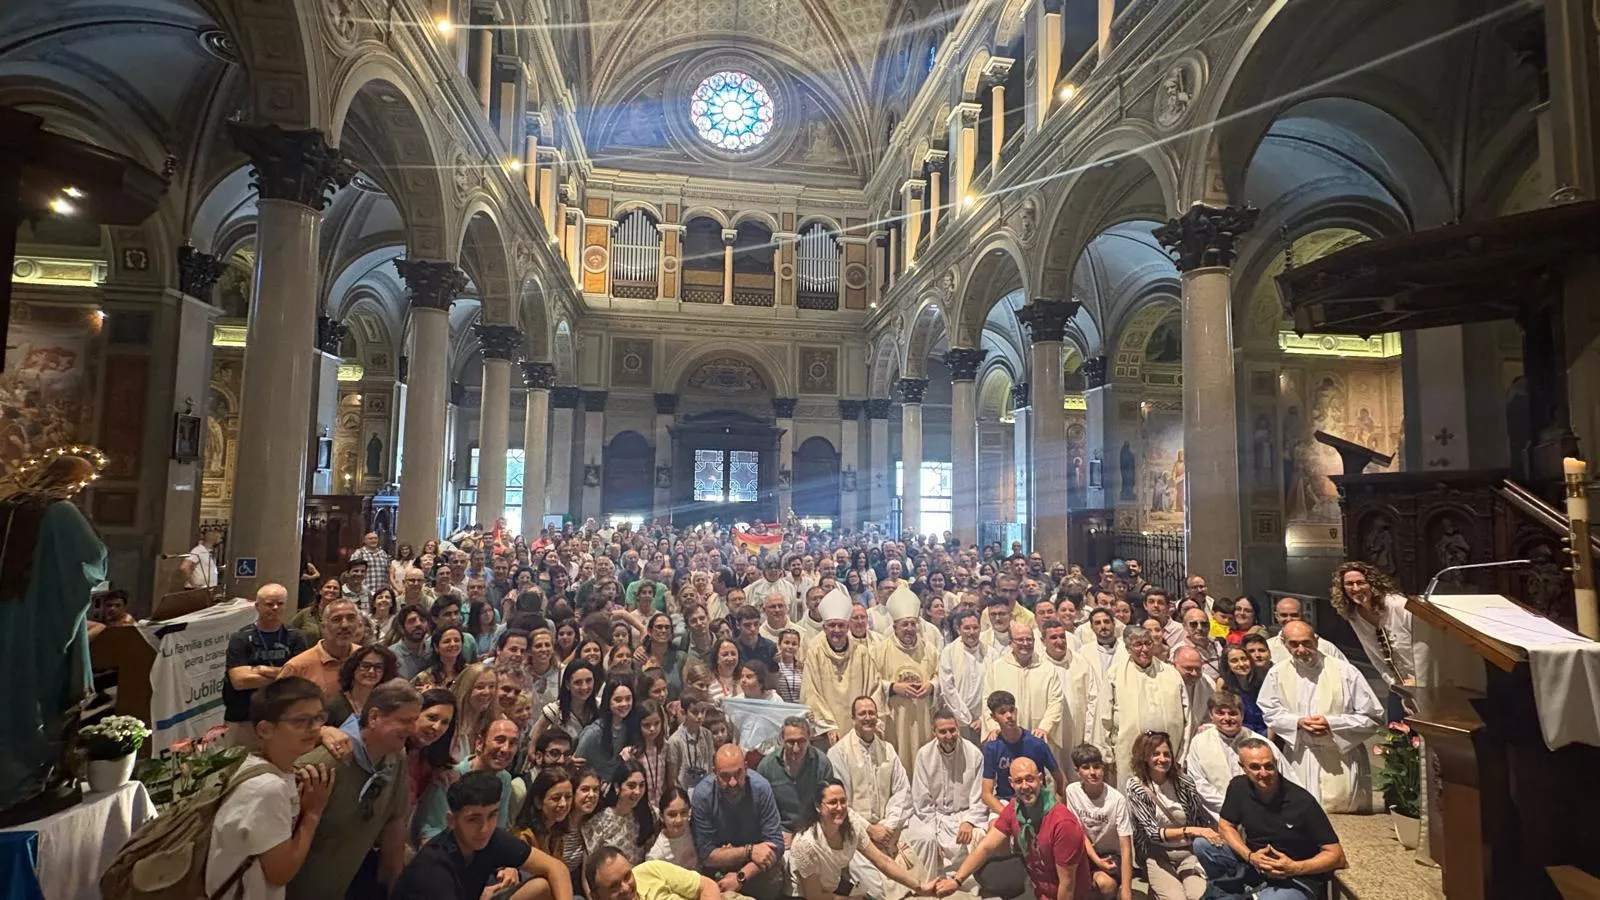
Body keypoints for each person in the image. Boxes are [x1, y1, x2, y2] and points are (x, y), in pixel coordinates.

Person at [287, 679, 420, 898]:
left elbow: (394, 823)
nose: (413, 729)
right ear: (375, 717)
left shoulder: (395, 758)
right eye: (405, 721)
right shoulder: (322, 765)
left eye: (415, 720)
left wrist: (393, 888)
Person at [205, 677, 331, 900]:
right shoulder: (267, 789)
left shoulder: (255, 764)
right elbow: (280, 873)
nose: (315, 729)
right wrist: (312, 814)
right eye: (301, 721)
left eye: (319, 718)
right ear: (264, 729)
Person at [1193, 739, 1347, 899]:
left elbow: (1337, 856)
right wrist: (1250, 857)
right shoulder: (1238, 787)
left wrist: (1294, 867)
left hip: (1295, 876)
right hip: (1255, 864)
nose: (1264, 773)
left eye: (1268, 766)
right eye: (1255, 767)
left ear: (1276, 763)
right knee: (1203, 845)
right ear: (1243, 767)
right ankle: (1233, 889)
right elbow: (1226, 825)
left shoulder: (1301, 801)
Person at [1257, 621, 1382, 813]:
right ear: (1284, 643)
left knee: (1346, 822)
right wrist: (1296, 723)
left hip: (1340, 758)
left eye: (1307, 643)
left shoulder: (1345, 671)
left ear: (1316, 641)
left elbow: (1372, 716)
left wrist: (1332, 724)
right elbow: (1270, 711)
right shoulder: (1277, 673)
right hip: (1300, 757)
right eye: (1294, 644)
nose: (1301, 649)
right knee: (1302, 816)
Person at [394, 770, 574, 900]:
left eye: (492, 815)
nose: (485, 828)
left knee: (543, 886)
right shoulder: (433, 870)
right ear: (451, 821)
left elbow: (557, 868)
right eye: (473, 819)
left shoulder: (492, 838)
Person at [934, 757, 1089, 900]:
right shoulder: (1015, 809)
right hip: (1037, 888)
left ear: (1040, 779)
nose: (1025, 786)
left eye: (1030, 779)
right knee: (984, 870)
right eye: (1019, 781)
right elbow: (986, 846)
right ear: (1011, 783)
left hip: (1065, 895)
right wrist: (956, 880)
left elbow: (1067, 886)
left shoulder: (1063, 824)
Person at [788, 780, 935, 900]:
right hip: (803, 895)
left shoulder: (852, 825)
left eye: (843, 801)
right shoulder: (805, 844)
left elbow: (883, 861)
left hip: (832, 885)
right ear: (818, 807)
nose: (840, 808)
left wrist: (919, 887)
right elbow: (814, 896)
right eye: (833, 802)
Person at [826, 694, 911, 887]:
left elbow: (902, 791)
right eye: (862, 713)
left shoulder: (887, 749)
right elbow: (839, 803)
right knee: (875, 881)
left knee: (924, 840)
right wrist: (870, 829)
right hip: (855, 831)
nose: (868, 717)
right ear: (853, 719)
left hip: (888, 828)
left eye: (871, 713)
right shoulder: (838, 753)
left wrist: (888, 827)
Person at [1123, 730, 1217, 900]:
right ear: (1144, 757)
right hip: (1158, 855)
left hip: (1188, 852)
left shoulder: (1185, 782)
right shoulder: (1136, 787)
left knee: (1199, 896)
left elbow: (1200, 819)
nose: (1163, 759)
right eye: (1156, 754)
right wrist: (1191, 830)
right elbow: (1152, 833)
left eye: (1167, 754)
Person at [690, 745, 786, 900]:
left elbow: (776, 845)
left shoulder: (761, 788)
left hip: (755, 867)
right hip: (721, 869)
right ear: (714, 773)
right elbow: (706, 855)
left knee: (773, 873)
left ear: (746, 768)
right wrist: (749, 850)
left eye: (738, 773)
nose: (733, 782)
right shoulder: (702, 796)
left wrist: (741, 877)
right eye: (725, 776)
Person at [1329, 562, 1422, 722]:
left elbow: (1424, 647)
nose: (1356, 588)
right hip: (1398, 685)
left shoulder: (1398, 605)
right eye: (1349, 584)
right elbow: (1374, 655)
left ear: (1373, 583)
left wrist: (1417, 681)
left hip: (1425, 683)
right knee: (1398, 735)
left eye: (1361, 582)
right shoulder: (1354, 615)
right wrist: (1397, 685)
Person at [1093, 628, 1186, 784]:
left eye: (1148, 643)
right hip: (1128, 752)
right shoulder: (1115, 674)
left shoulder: (1171, 673)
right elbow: (1103, 717)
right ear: (1128, 648)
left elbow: (1186, 714)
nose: (1144, 649)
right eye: (1138, 644)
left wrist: (1182, 753)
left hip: (1167, 755)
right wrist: (1106, 754)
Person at [905, 711, 987, 882]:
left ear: (958, 728)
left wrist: (970, 821)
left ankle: (967, 882)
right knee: (925, 838)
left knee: (979, 835)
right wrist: (934, 830)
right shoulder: (924, 754)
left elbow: (979, 796)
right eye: (942, 731)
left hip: (965, 814)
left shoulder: (974, 754)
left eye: (952, 730)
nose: (949, 736)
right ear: (934, 732)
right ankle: (929, 885)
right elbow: (921, 800)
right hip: (934, 816)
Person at [223, 583, 308, 747]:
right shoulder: (240, 638)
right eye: (269, 604)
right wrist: (283, 675)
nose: (275, 608)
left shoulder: (296, 637)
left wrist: (262, 670)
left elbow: (300, 678)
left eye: (280, 603)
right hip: (243, 717)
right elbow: (239, 681)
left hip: (282, 717)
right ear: (257, 606)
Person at [1182, 691, 1287, 819]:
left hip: (1260, 814)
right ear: (1211, 715)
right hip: (1216, 816)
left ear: (1242, 715)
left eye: (1232, 713)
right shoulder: (1199, 742)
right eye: (1220, 713)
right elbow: (1197, 782)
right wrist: (1230, 807)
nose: (1227, 718)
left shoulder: (1262, 743)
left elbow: (1284, 776)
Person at [417, 717, 521, 842]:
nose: (506, 749)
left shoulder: (504, 779)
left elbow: (498, 829)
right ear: (479, 743)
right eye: (499, 740)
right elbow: (431, 836)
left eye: (513, 743)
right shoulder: (449, 779)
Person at [874, 584, 940, 773]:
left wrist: (932, 686)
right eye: (904, 624)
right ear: (894, 627)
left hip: (923, 718)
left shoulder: (930, 650)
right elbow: (871, 682)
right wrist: (893, 687)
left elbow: (941, 678)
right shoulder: (880, 650)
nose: (909, 629)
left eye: (913, 624)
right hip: (894, 721)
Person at [798, 587, 877, 744]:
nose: (836, 630)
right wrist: (828, 726)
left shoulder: (861, 653)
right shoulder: (815, 653)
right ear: (824, 627)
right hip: (826, 733)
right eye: (832, 625)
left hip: (859, 729)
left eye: (841, 625)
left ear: (848, 627)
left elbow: (873, 687)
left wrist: (865, 719)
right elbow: (810, 692)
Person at [1060, 744, 1133, 900]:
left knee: (1105, 885)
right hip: (1085, 852)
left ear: (1103, 768)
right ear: (1077, 772)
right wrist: (1096, 861)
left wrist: (1127, 892)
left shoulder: (1117, 800)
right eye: (1086, 768)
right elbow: (1079, 832)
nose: (1092, 773)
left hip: (1110, 855)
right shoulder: (1072, 792)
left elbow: (1125, 846)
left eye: (1097, 767)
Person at [982, 622, 1064, 757]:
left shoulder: (1047, 669)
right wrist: (995, 728)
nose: (1025, 643)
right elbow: (987, 702)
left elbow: (1056, 702)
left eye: (1029, 639)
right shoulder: (997, 668)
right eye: (1020, 639)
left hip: (1038, 738)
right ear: (1011, 643)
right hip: (1006, 739)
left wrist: (1044, 727)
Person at [981, 689, 1066, 815]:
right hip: (1006, 801)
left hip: (1037, 799)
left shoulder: (1036, 743)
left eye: (1011, 710)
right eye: (1002, 712)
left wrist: (1057, 807)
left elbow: (1061, 779)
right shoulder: (992, 748)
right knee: (994, 827)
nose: (1009, 715)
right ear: (994, 717)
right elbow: (986, 794)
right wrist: (1009, 816)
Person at [756, 716, 836, 839]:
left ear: (809, 739)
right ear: (782, 740)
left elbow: (829, 804)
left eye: (801, 741)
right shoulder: (766, 767)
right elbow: (761, 811)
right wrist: (777, 833)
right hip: (780, 833)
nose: (796, 748)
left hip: (815, 832)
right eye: (790, 742)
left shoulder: (822, 764)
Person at [278, 597, 363, 697]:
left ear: (359, 624)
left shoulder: (366, 658)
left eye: (351, 618)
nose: (345, 625)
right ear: (323, 627)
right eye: (336, 619)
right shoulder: (297, 668)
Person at [936, 609, 993, 742]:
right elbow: (947, 688)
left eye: (975, 627)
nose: (972, 632)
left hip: (985, 720)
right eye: (967, 628)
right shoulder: (948, 652)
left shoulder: (991, 653)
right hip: (958, 719)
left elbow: (994, 688)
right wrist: (964, 717)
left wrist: (983, 718)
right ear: (958, 629)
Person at [584, 759, 656, 863]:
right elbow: (589, 865)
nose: (637, 791)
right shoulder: (600, 821)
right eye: (631, 786)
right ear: (617, 787)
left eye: (641, 785)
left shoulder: (648, 814)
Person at [585, 847, 721, 900]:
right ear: (596, 897)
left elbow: (707, 886)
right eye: (614, 886)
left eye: (627, 876)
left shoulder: (650, 870)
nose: (626, 888)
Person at [575, 680, 639, 783]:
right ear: (608, 701)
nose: (624, 704)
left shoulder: (631, 727)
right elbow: (577, 766)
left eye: (628, 699)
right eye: (618, 700)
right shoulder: (593, 733)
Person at [325, 643, 400, 726]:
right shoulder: (334, 706)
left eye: (378, 667)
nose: (371, 671)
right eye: (365, 666)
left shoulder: (389, 705)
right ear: (353, 668)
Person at [1266, 597, 1349, 666]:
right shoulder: (1268, 647)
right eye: (1284, 615)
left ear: (1303, 615)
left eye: (1294, 615)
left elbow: (1345, 672)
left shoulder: (1325, 647)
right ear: (1276, 616)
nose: (1289, 619)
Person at [647, 788, 698, 868]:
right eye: (672, 814)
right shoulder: (656, 855)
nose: (679, 820)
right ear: (661, 816)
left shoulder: (695, 829)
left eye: (683, 812)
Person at [349, 532, 392, 606]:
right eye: (370, 538)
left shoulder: (383, 553)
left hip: (381, 594)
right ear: (365, 541)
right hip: (364, 592)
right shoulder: (359, 553)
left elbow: (388, 572)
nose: (373, 540)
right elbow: (352, 573)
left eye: (375, 538)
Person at [180, 525, 223, 590]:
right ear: (213, 539)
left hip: (207, 589)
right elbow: (184, 567)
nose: (220, 541)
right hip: (198, 590)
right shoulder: (198, 550)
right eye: (219, 538)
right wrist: (194, 585)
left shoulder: (209, 552)